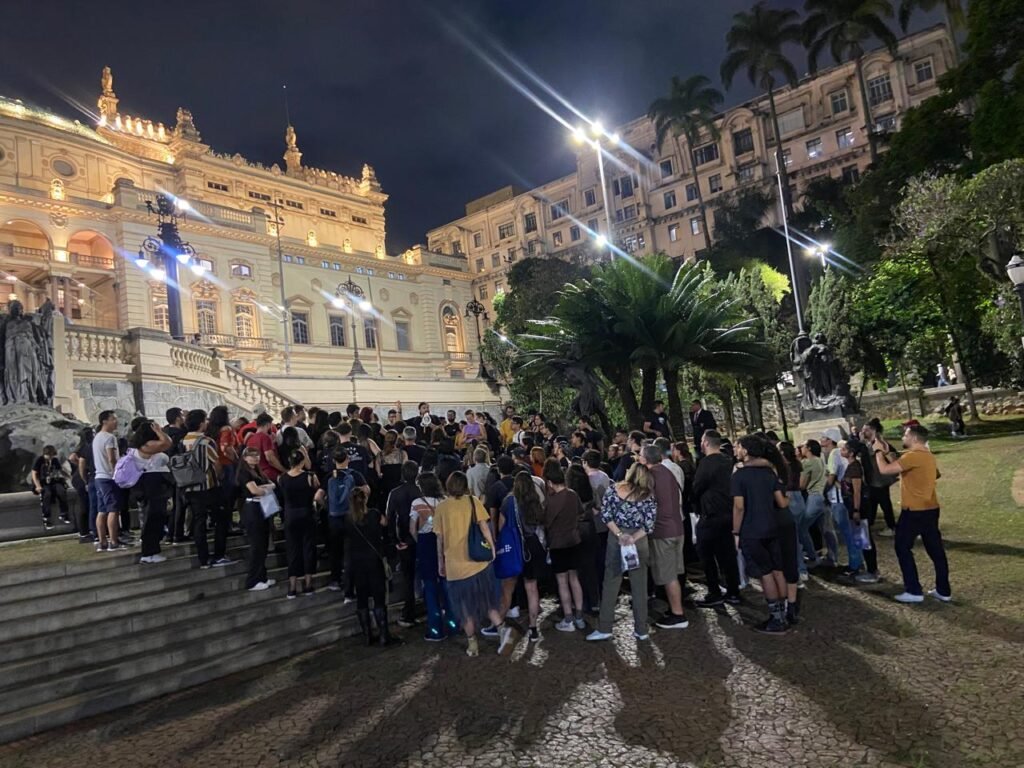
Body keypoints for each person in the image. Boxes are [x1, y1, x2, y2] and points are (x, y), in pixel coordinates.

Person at [434, 471, 511, 657]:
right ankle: (502, 630)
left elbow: (440, 539)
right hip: (478, 563)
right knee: (487, 602)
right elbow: (485, 527)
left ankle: (472, 644)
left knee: (464, 608)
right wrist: (492, 548)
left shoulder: (441, 507)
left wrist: (440, 562)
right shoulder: (473, 501)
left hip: (455, 567)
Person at [873, 424, 951, 604]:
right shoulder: (927, 455)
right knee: (936, 551)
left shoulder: (913, 456)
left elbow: (885, 470)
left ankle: (914, 590)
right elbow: (934, 474)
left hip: (914, 510)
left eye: (905, 435)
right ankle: (943, 590)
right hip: (931, 508)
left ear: (914, 438)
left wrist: (878, 452)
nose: (903, 438)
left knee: (902, 547)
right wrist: (888, 453)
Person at [586, 463, 658, 642]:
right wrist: (633, 538)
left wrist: (620, 535)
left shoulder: (613, 490)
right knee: (639, 585)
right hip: (638, 541)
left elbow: (606, 515)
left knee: (611, 582)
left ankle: (605, 627)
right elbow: (649, 525)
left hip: (616, 539)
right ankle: (641, 629)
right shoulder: (648, 496)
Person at [732, 435, 791, 634]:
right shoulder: (768, 472)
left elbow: (739, 507)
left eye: (738, 446)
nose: (735, 450)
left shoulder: (739, 476)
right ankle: (785, 613)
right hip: (772, 526)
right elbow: (781, 502)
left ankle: (776, 619)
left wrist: (735, 531)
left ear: (746, 450)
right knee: (777, 570)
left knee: (765, 574)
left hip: (752, 529)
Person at [691, 430, 741, 607]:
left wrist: (694, 503)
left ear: (705, 443)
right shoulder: (728, 461)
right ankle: (733, 591)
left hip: (711, 514)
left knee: (706, 554)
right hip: (728, 513)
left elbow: (697, 487)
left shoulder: (707, 463)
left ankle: (714, 591)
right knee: (727, 555)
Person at [345, 487, 399, 646]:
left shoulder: (348, 518)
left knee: (362, 599)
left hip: (357, 562)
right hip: (374, 560)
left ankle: (367, 635)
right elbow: (385, 523)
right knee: (379, 598)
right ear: (365, 499)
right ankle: (383, 635)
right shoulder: (374, 514)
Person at [410, 472, 458, 641]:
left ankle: (435, 629)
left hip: (425, 543)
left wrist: (419, 541)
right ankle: (453, 623)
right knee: (446, 584)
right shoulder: (445, 501)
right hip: (445, 542)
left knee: (430, 586)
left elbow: (412, 529)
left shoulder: (417, 503)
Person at [182, 409, 231, 568]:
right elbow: (216, 463)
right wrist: (221, 477)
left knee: (199, 521)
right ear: (201, 423)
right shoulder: (206, 441)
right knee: (221, 519)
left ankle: (203, 559)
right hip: (208, 486)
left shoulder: (183, 440)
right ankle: (219, 555)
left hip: (189, 486)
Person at [541, 460, 587, 633]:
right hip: (574, 541)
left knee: (562, 582)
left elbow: (546, 523)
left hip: (557, 544)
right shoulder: (572, 494)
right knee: (574, 579)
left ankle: (568, 618)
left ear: (550, 482)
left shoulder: (551, 501)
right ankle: (580, 616)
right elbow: (580, 513)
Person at [278, 448, 324, 598]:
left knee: (292, 549)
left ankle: (292, 586)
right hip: (306, 513)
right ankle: (308, 584)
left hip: (290, 515)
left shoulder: (282, 478)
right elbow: (317, 492)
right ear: (302, 461)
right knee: (308, 548)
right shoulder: (310, 476)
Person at [325, 447, 369, 597]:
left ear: (333, 461)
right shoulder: (355, 475)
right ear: (348, 459)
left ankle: (335, 579)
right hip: (352, 516)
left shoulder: (329, 476)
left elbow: (318, 496)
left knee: (335, 549)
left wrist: (328, 507)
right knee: (352, 549)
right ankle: (354, 581)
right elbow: (367, 490)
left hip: (334, 518)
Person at [128, 421, 173, 563]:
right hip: (151, 484)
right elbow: (167, 443)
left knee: (156, 517)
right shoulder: (146, 445)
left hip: (153, 483)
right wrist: (160, 431)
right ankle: (149, 552)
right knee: (152, 518)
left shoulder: (141, 446)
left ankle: (153, 550)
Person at [385, 460, 420, 628]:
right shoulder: (421, 492)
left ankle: (409, 613)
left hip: (404, 539)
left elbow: (390, 518)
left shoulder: (395, 493)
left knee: (408, 578)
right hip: (422, 538)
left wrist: (394, 540)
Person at [236, 446, 277, 591]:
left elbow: (272, 484)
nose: (255, 458)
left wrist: (264, 488)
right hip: (253, 509)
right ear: (245, 458)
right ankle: (253, 580)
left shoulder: (258, 471)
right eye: (251, 455)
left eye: (257, 455)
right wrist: (266, 489)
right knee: (257, 546)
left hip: (263, 507)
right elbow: (255, 491)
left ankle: (262, 576)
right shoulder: (244, 472)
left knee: (263, 544)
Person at [566, 464, 601, 616]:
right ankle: (594, 601)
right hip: (590, 528)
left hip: (575, 529)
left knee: (576, 569)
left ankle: (581, 602)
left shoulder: (569, 494)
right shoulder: (590, 490)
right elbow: (597, 508)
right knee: (590, 567)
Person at [92, 410, 124, 553]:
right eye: (113, 419)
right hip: (109, 477)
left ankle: (102, 542)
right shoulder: (109, 437)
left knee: (102, 510)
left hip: (99, 477)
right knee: (113, 510)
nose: (116, 422)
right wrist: (117, 473)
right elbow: (111, 458)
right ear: (104, 421)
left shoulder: (97, 437)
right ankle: (114, 541)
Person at [778, 441, 810, 582]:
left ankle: (800, 569)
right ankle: (804, 564)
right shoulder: (797, 464)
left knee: (793, 538)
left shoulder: (783, 466)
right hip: (799, 498)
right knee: (798, 534)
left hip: (789, 497)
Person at [860, 419, 898, 536]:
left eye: (866, 430)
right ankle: (870, 523)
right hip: (873, 480)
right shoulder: (868, 444)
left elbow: (892, 456)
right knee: (872, 502)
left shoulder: (879, 444)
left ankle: (891, 526)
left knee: (884, 503)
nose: (863, 432)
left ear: (873, 430)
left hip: (880, 480)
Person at [798, 440, 827, 568]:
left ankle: (812, 556)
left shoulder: (807, 463)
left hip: (813, 496)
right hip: (821, 496)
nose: (801, 448)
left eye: (803, 446)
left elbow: (802, 485)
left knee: (802, 528)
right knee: (824, 529)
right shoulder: (819, 460)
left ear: (809, 448)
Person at [32, 445, 69, 530]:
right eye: (48, 455)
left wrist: (68, 476)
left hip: (53, 481)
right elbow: (34, 473)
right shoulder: (39, 460)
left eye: (52, 455)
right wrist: (38, 486)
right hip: (43, 482)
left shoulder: (54, 460)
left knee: (61, 491)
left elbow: (60, 470)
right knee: (47, 494)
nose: (50, 457)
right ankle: (46, 517)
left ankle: (64, 513)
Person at [244, 413, 285, 482]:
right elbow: (270, 458)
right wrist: (284, 470)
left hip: (256, 473)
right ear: (268, 425)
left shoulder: (250, 439)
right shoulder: (265, 437)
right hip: (269, 473)